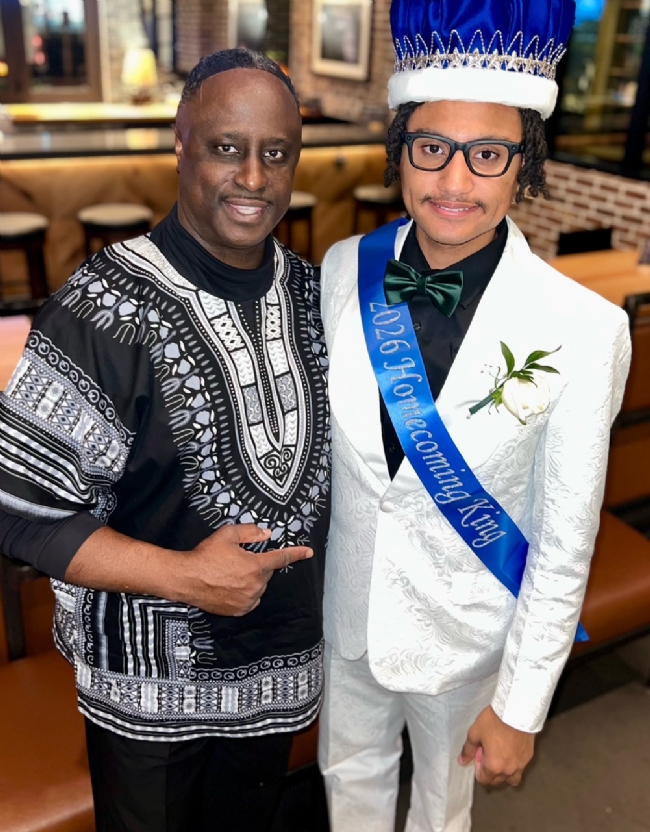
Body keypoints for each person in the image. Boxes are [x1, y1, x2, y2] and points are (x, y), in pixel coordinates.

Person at [317, 1, 632, 830]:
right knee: (346, 784)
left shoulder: (585, 329)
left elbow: (565, 542)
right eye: (432, 148)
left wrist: (522, 706)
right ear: (401, 151)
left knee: (441, 811)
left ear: (523, 167)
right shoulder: (344, 267)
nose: (454, 183)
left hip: (467, 640)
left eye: (487, 155)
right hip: (347, 617)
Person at [0, 48, 330, 832]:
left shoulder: (317, 295)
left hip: (279, 675)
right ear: (181, 143)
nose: (252, 177)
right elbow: (18, 510)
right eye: (226, 147)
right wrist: (185, 577)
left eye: (276, 153)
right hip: (148, 697)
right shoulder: (99, 310)